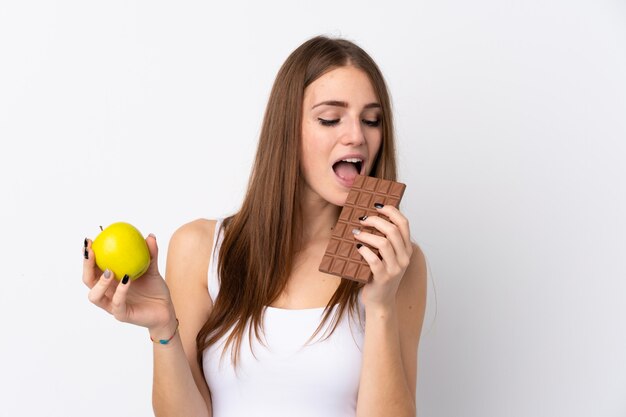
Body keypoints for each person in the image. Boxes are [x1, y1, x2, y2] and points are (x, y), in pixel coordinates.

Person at [82, 35, 427, 417]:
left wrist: (379, 307)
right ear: (286, 130)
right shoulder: (200, 248)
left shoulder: (395, 263)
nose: (357, 137)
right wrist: (163, 329)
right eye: (330, 119)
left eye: (371, 120)